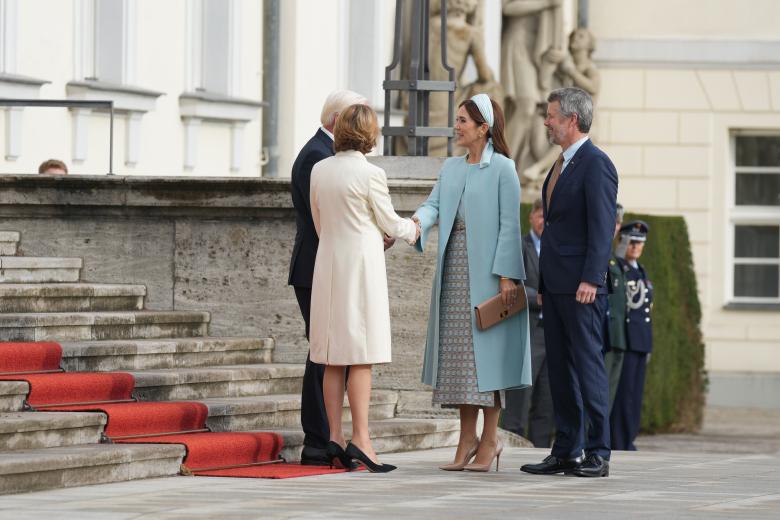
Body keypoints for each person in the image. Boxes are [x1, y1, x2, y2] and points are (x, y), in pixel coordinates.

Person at [413, 94, 531, 473]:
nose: (456, 125)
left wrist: (508, 275)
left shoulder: (504, 169)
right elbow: (433, 205)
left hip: (492, 277)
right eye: (458, 119)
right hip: (455, 273)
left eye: (463, 120)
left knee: (489, 363)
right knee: (460, 364)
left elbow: (511, 226)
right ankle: (467, 440)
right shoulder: (451, 167)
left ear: (484, 128)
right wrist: (413, 224)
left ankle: (490, 440)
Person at [309, 104, 419, 473]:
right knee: (361, 352)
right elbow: (388, 220)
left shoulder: (319, 169)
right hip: (361, 268)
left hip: (328, 264)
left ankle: (335, 438)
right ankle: (363, 439)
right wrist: (413, 230)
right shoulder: (371, 173)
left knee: (331, 354)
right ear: (370, 134)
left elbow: (319, 221)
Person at [520, 87, 617, 478]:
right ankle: (566, 450)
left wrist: (592, 278)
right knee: (560, 370)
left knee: (588, 368)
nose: (546, 122)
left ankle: (598, 452)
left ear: (572, 119)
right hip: (556, 288)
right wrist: (543, 284)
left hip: (582, 288)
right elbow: (555, 234)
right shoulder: (560, 164)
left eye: (552, 115)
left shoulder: (596, 164)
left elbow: (602, 226)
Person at [288, 89, 369, 466]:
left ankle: (324, 438)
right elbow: (326, 222)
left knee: (325, 352)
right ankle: (318, 438)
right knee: (322, 353)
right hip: (317, 266)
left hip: (325, 264)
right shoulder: (317, 157)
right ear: (338, 120)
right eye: (355, 118)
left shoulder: (326, 155)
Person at [503, 198, 554, 448]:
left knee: (547, 396)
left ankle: (542, 449)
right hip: (528, 330)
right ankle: (512, 442)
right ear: (531, 217)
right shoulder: (520, 247)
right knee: (520, 394)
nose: (544, 221)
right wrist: (538, 297)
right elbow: (509, 285)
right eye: (540, 215)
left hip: (553, 333)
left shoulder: (557, 247)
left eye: (549, 216)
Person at [610, 220, 653, 451]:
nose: (636, 247)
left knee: (634, 396)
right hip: (626, 339)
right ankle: (620, 439)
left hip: (640, 341)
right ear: (623, 242)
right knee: (623, 396)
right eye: (632, 242)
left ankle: (629, 438)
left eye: (640, 243)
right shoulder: (618, 268)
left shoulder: (641, 270)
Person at [605, 203, 627, 411]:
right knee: (598, 394)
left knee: (608, 397)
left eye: (617, 222)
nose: (615, 226)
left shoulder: (614, 259)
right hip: (603, 337)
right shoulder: (600, 254)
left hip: (617, 336)